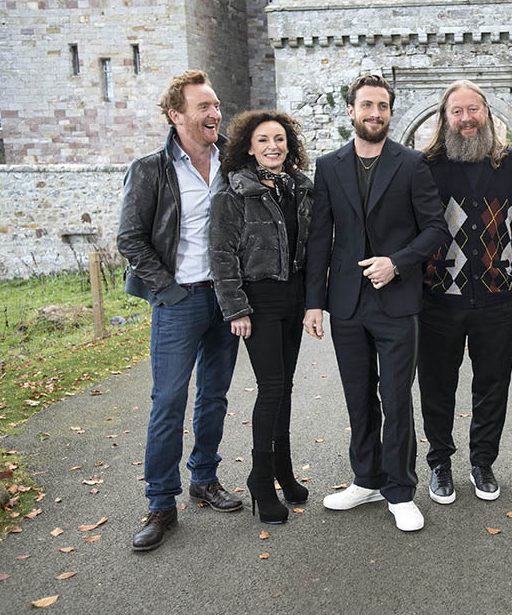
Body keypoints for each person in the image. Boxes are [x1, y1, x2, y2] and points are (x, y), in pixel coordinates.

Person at [302, 74, 448, 532]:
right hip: (345, 304)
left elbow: (435, 229)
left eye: (383, 106)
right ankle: (365, 479)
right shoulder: (328, 167)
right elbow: (320, 238)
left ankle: (400, 490)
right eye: (367, 105)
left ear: (390, 112)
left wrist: (398, 263)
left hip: (397, 302)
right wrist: (313, 303)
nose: (375, 114)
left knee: (396, 397)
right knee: (358, 396)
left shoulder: (411, 164)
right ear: (352, 111)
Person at [117, 69, 241, 552]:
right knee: (168, 402)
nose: (215, 113)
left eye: (216, 105)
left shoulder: (234, 162)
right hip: (179, 299)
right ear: (177, 115)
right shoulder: (150, 169)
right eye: (204, 107)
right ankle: (160, 503)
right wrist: (167, 291)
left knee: (215, 395)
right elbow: (131, 238)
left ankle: (204, 479)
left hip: (226, 299)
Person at [418, 80, 512, 505]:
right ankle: (440, 463)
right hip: (438, 297)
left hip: (498, 297)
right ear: (444, 119)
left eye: (474, 110)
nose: (467, 119)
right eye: (457, 112)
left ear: (487, 113)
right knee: (436, 383)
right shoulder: (425, 166)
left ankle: (482, 462)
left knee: (492, 383)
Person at [209, 110, 314, 524]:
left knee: (285, 387)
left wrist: (309, 301)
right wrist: (235, 307)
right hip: (258, 301)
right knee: (271, 387)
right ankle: (260, 478)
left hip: (292, 299)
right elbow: (221, 254)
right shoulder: (234, 192)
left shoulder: (299, 188)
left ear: (289, 146)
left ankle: (284, 471)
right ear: (248, 147)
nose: (273, 146)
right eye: (264, 140)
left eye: (280, 139)